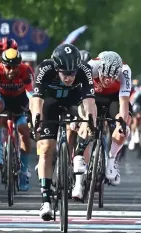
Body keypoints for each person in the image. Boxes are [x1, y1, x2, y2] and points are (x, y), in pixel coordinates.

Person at [31, 43, 97, 220]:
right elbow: (36, 99)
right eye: (65, 73)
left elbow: (90, 102)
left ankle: (77, 156)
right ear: (56, 68)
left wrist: (91, 124)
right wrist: (36, 120)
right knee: (45, 148)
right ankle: (45, 201)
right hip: (50, 104)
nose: (69, 77)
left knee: (86, 119)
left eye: (73, 73)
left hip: (73, 103)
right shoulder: (44, 68)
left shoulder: (84, 69)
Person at [71, 51, 131, 200]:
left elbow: (123, 103)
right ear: (99, 70)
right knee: (88, 120)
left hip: (114, 99)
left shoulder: (125, 71)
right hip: (92, 97)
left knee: (123, 126)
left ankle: (111, 159)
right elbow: (83, 98)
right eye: (104, 77)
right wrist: (85, 117)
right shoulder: (90, 68)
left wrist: (121, 123)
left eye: (112, 78)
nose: (108, 81)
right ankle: (78, 183)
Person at [0, 48, 34, 190]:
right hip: (3, 100)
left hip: (20, 101)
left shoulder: (25, 70)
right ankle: (1, 151)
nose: (12, 70)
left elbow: (31, 93)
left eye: (15, 67)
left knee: (23, 131)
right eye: (8, 67)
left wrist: (34, 110)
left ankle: (24, 171)